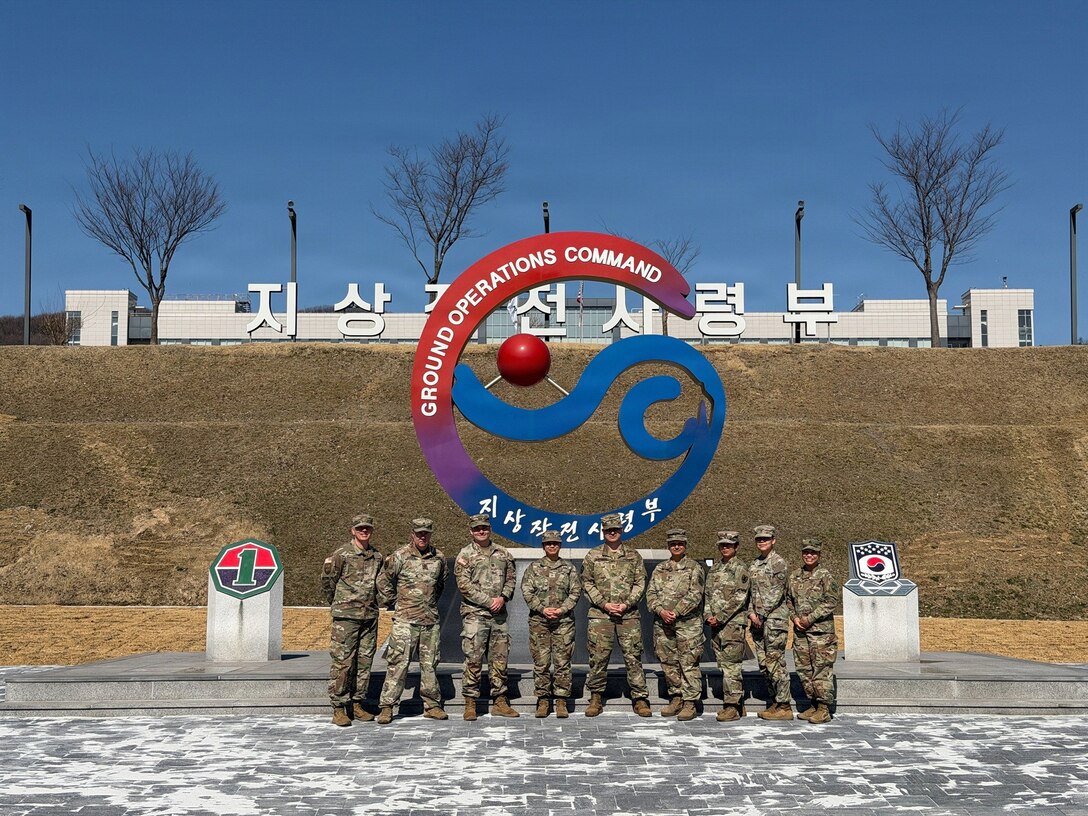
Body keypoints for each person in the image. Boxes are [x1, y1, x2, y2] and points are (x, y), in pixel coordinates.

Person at [374, 518, 448, 724]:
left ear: (431, 534)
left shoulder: (438, 558)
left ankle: (432, 705)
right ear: (412, 534)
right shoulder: (400, 556)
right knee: (398, 663)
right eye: (418, 533)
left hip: (430, 621)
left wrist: (429, 603)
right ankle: (387, 706)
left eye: (426, 533)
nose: (422, 536)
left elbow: (441, 584)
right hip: (405, 620)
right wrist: (393, 601)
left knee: (430, 664)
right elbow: (383, 580)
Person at [581, 513, 652, 717]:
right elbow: (587, 582)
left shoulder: (633, 555)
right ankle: (595, 697)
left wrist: (626, 603)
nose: (612, 533)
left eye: (615, 530)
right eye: (608, 530)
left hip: (628, 615)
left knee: (633, 657)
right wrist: (604, 604)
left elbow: (640, 583)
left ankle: (639, 698)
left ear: (621, 531)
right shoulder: (593, 556)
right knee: (598, 657)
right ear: (603, 532)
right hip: (600, 615)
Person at [321, 512, 383, 727]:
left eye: (367, 528)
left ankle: (357, 703)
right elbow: (328, 581)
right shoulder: (341, 554)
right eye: (360, 529)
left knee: (364, 662)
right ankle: (339, 706)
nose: (364, 531)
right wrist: (339, 604)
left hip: (369, 615)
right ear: (353, 531)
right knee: (343, 662)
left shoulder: (377, 556)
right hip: (346, 617)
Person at [454, 512, 519, 720]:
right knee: (473, 659)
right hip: (475, 614)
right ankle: (470, 703)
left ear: (490, 529)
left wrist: (502, 597)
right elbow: (464, 585)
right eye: (476, 529)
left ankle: (500, 701)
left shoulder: (503, 553)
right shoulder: (465, 555)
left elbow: (511, 579)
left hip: (498, 615)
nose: (481, 531)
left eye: (484, 528)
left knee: (499, 659)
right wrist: (488, 601)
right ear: (470, 531)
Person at [520, 528, 582, 718]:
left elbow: (575, 592)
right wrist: (542, 609)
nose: (552, 546)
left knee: (563, 662)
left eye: (555, 543)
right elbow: (527, 591)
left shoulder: (569, 568)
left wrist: (562, 610)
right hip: (540, 621)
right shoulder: (534, 568)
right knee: (541, 663)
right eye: (548, 543)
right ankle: (543, 700)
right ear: (543, 546)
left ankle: (561, 700)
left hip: (563, 622)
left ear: (560, 545)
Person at [646, 528, 705, 721]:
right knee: (668, 662)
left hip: (687, 624)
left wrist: (676, 612)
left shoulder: (694, 567)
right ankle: (676, 697)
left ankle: (690, 702)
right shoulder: (660, 568)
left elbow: (695, 595)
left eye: (679, 543)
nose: (676, 546)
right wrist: (661, 611)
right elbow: (651, 594)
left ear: (685, 545)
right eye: (673, 544)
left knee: (688, 662)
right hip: (663, 624)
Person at [787, 538, 839, 724]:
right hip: (801, 633)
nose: (809, 555)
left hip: (820, 633)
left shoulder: (826, 576)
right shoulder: (794, 576)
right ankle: (813, 704)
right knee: (804, 670)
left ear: (819, 555)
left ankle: (824, 708)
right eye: (806, 552)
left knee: (821, 670)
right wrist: (794, 618)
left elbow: (831, 601)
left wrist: (809, 619)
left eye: (813, 552)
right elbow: (788, 601)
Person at [747, 524, 793, 720]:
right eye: (759, 539)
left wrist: (762, 614)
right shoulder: (754, 564)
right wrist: (751, 613)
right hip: (757, 621)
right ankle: (775, 701)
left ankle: (784, 705)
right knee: (764, 664)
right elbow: (749, 593)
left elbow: (776, 593)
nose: (762, 542)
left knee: (775, 663)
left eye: (766, 539)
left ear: (773, 540)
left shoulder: (778, 563)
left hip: (774, 621)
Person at [704, 530, 751, 722]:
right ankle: (738, 703)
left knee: (732, 666)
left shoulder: (740, 568)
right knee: (723, 665)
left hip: (732, 624)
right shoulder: (715, 569)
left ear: (736, 547)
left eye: (729, 545)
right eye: (722, 545)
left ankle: (731, 706)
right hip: (716, 625)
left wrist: (721, 616)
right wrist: (708, 615)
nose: (725, 548)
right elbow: (708, 595)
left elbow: (740, 597)